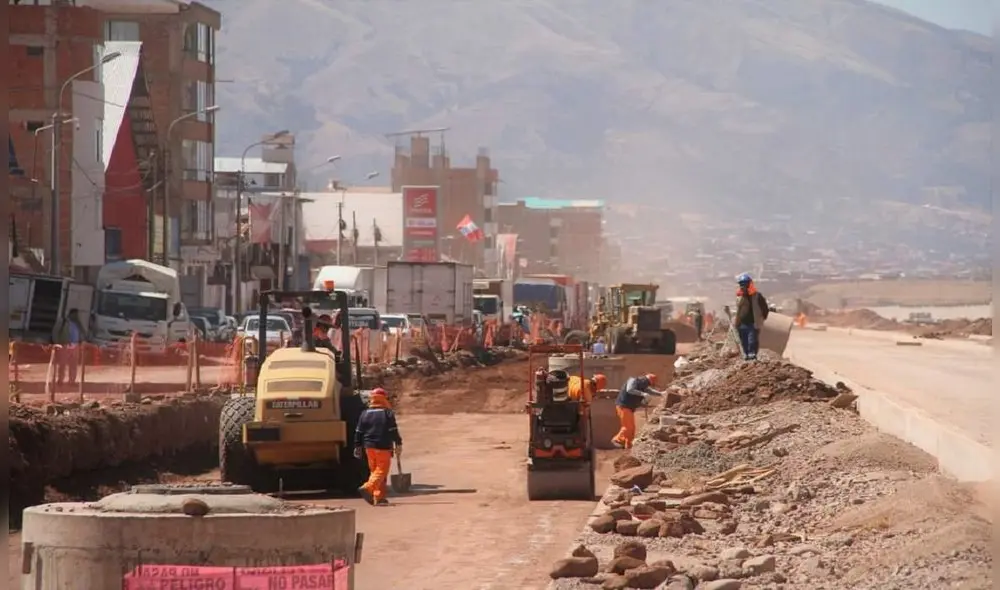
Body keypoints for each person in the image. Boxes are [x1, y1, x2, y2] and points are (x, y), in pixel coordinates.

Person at [354, 388, 403, 506]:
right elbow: (393, 430)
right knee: (382, 471)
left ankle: (379, 497)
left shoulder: (364, 413)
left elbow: (359, 432)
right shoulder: (387, 413)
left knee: (374, 471)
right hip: (383, 446)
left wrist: (357, 446)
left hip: (368, 447)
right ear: (384, 399)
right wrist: (398, 443)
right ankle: (367, 487)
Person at [612, 373, 664, 449]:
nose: (648, 385)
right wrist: (643, 394)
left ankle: (628, 446)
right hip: (623, 406)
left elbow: (650, 391)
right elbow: (629, 390)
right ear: (645, 380)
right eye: (648, 383)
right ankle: (617, 440)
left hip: (629, 408)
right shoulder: (633, 380)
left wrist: (661, 394)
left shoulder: (642, 386)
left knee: (632, 428)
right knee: (628, 427)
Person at [733, 273, 769, 361]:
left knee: (752, 341)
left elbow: (765, 308)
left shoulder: (757, 296)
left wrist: (762, 318)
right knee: (744, 341)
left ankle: (752, 355)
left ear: (749, 284)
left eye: (745, 284)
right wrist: (736, 323)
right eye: (741, 284)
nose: (743, 286)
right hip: (742, 323)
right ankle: (746, 355)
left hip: (753, 323)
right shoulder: (740, 297)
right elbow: (738, 311)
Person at [55, 308, 84, 386]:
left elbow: (82, 334)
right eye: (75, 314)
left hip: (75, 346)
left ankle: (72, 381)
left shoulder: (78, 324)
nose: (76, 316)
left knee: (73, 365)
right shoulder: (63, 322)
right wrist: (57, 343)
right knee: (62, 364)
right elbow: (56, 332)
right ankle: (60, 380)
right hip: (65, 345)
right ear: (71, 314)